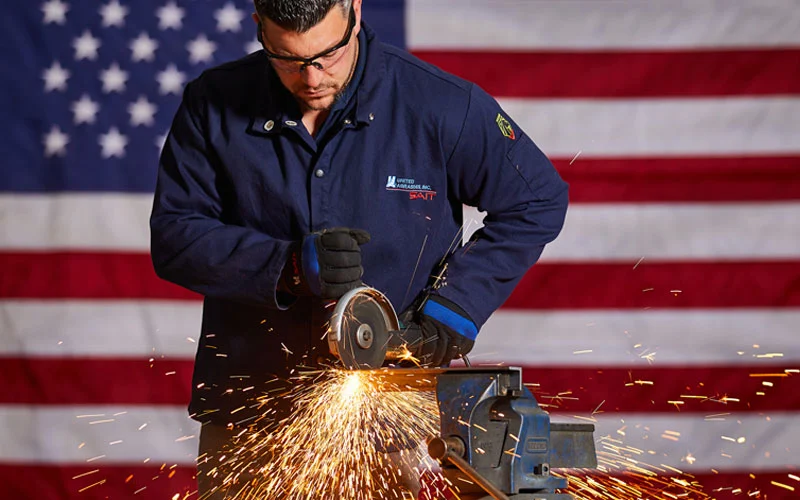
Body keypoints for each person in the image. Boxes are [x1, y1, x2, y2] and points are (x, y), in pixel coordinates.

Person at [150, 0, 568, 497]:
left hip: (384, 421)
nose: (311, 78)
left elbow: (537, 199)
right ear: (258, 26)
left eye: (328, 54)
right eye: (288, 59)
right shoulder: (211, 102)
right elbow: (174, 236)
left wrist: (453, 311)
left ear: (354, 9)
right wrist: (286, 266)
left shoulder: (439, 104)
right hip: (251, 416)